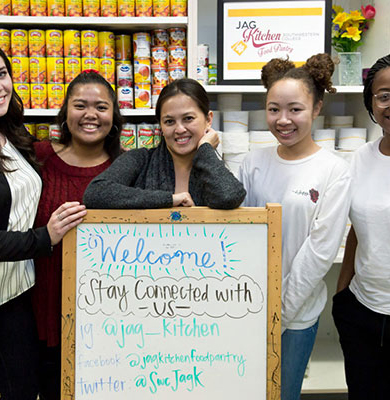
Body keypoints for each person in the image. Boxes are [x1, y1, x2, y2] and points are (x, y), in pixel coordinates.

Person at [239, 53, 351, 400]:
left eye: (295, 109)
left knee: (282, 394)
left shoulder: (334, 169)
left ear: (317, 108)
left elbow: (319, 253)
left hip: (296, 317)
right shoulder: (253, 161)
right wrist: (251, 307)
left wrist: (280, 315)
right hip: (246, 308)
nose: (283, 120)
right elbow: (239, 235)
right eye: (274, 109)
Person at [0, 48, 86, 400]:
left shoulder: (12, 134)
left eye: (1, 74)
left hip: (19, 295)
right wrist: (43, 238)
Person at [32, 70, 122, 400]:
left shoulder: (127, 168)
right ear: (65, 112)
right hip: (41, 311)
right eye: (80, 105)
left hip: (110, 322)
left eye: (101, 107)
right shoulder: (37, 158)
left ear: (113, 115)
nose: (90, 115)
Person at [83, 78, 246, 210]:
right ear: (160, 125)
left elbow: (230, 197)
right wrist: (169, 200)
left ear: (208, 119)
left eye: (188, 118)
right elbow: (96, 193)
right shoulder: (140, 159)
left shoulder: (211, 164)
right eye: (169, 121)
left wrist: (205, 150)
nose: (180, 129)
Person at [332, 54, 390, 400]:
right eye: (384, 95)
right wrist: (343, 292)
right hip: (364, 312)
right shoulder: (360, 159)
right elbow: (360, 224)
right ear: (371, 102)